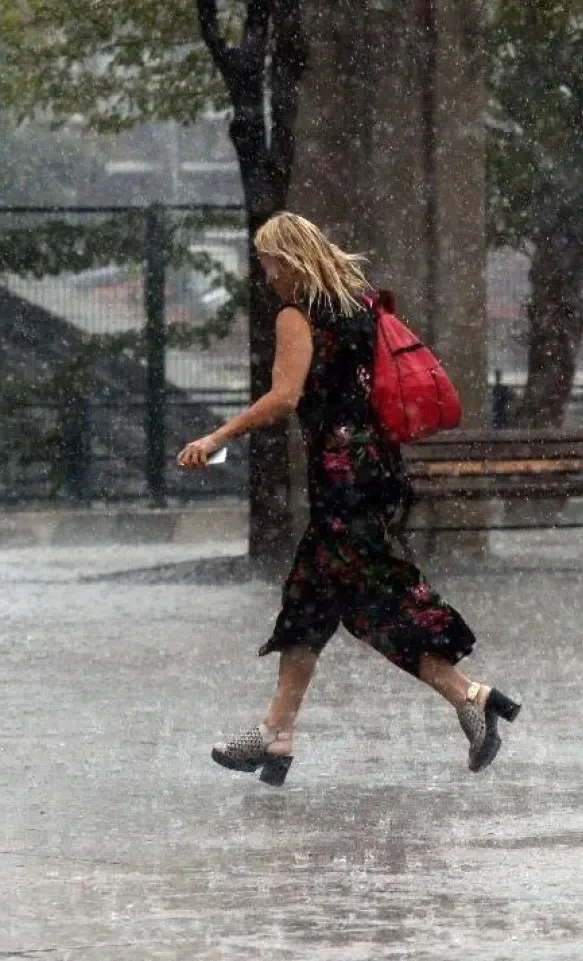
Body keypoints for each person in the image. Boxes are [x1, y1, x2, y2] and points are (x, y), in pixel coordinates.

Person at [177, 212, 520, 786]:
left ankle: (470, 696)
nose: (265, 275)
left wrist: (218, 436)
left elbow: (285, 397)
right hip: (375, 470)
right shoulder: (361, 307)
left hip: (341, 480)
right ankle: (275, 734)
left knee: (378, 601)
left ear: (288, 260)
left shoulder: (299, 314)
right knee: (310, 600)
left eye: (267, 263)